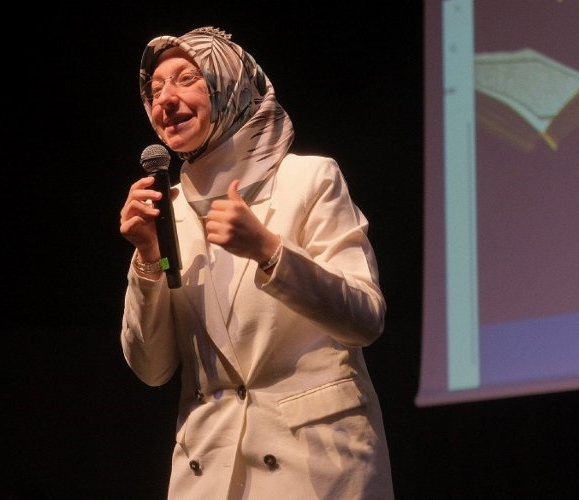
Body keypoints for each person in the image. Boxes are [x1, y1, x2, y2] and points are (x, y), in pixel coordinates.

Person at [119, 26, 394, 499]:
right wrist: (148, 260)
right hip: (210, 474)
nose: (166, 99)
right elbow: (151, 369)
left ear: (228, 84)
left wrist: (270, 252)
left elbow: (365, 319)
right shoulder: (168, 211)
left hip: (317, 468)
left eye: (186, 78)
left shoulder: (309, 179)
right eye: (154, 90)